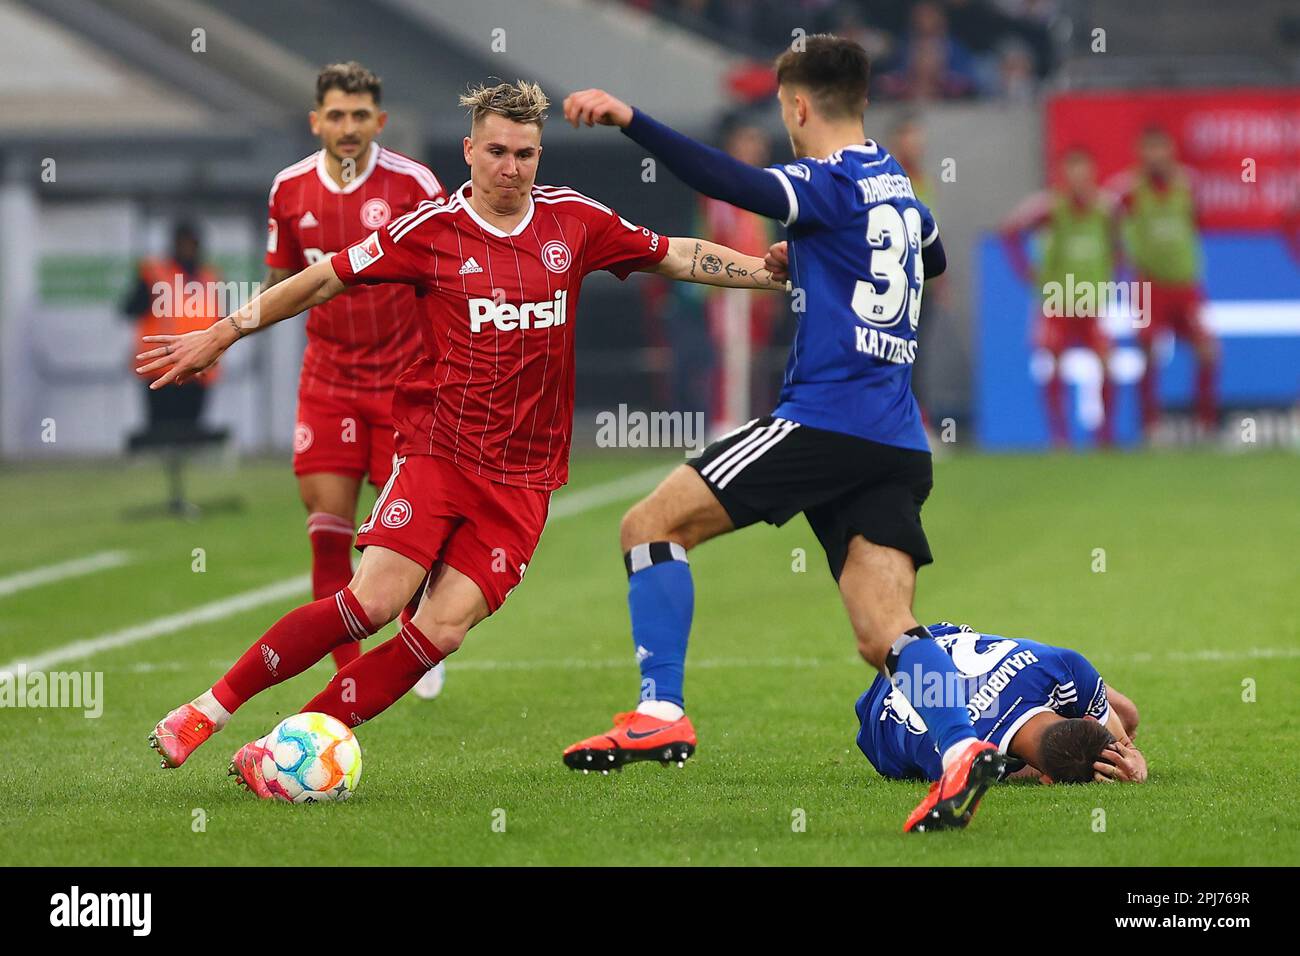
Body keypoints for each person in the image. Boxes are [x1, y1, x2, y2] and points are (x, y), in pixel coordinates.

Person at [137, 80, 785, 798]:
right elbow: (322, 278)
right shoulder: (430, 230)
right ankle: (208, 710)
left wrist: (771, 274)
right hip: (439, 455)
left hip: (525, 481)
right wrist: (223, 332)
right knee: (372, 603)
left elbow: (676, 254)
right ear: (471, 150)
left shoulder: (574, 222)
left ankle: (280, 750)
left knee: (440, 632)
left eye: (527, 154)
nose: (512, 168)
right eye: (498, 152)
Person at [562, 35, 1004, 834]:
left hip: (825, 422)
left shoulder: (826, 180)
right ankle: (961, 746)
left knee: (648, 527)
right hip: (897, 440)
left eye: (783, 110)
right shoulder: (897, 185)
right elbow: (926, 264)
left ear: (797, 106)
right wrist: (819, 259)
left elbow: (728, 179)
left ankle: (660, 708)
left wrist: (631, 119)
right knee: (885, 632)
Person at [265, 62, 448, 690]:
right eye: (336, 115)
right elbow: (283, 283)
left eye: (359, 115)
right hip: (327, 379)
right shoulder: (288, 190)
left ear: (380, 121)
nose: (347, 128)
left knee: (403, 533)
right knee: (327, 534)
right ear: (316, 120)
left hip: (403, 385)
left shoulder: (415, 184)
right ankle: (348, 681)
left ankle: (419, 624)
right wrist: (230, 331)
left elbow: (447, 276)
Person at [855, 622, 1146, 804]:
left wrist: (1124, 753)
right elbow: (1126, 745)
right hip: (876, 721)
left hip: (924, 644)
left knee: (1125, 714)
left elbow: (1122, 742)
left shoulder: (1066, 667)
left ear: (1084, 719)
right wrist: (1133, 760)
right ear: (1046, 780)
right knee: (1126, 716)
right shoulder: (959, 758)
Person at [1001, 149, 1120, 448]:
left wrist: (1111, 273)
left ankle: (1105, 438)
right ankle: (1060, 438)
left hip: (1090, 301)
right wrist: (1025, 270)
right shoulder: (1051, 208)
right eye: (1073, 173)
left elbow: (1118, 245)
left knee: (1106, 362)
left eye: (1084, 172)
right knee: (1053, 363)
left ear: (1092, 174)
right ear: (1065, 176)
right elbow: (1010, 230)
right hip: (1058, 300)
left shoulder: (1106, 210)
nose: (1079, 180)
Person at [1111, 127, 1218, 440]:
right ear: (1141, 154)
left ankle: (1206, 425)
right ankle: (1151, 426)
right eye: (1150, 151)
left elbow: (1196, 223)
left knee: (1208, 351)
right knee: (1148, 352)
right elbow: (1109, 222)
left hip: (1185, 285)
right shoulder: (1128, 191)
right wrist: (1124, 256)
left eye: (1162, 150)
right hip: (1147, 286)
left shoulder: (1189, 185)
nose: (1156, 158)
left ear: (1171, 152)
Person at [121, 221, 220, 435]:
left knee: (191, 434)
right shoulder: (154, 273)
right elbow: (129, 308)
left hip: (197, 368)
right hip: (160, 369)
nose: (188, 248)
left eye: (191, 243)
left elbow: (222, 321)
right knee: (161, 434)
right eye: (183, 243)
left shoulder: (210, 277)